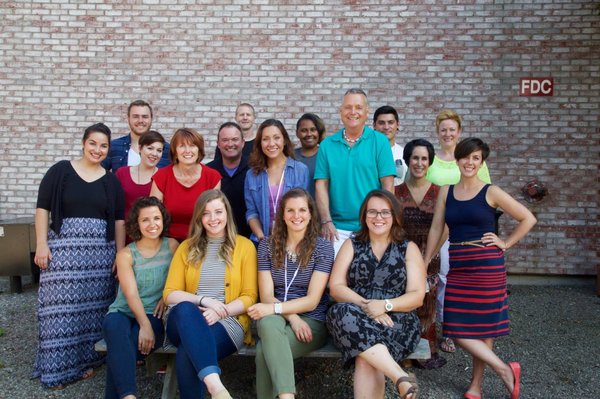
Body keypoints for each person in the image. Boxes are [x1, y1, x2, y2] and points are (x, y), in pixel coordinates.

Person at [424, 138, 536, 399]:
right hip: (459, 265)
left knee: (483, 329)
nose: (470, 162)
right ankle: (504, 370)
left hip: (487, 266)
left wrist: (505, 242)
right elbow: (437, 229)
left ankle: (476, 385)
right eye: (466, 157)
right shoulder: (446, 191)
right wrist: (426, 259)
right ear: (457, 159)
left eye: (476, 158)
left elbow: (528, 218)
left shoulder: (491, 191)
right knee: (453, 325)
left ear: (481, 162)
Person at [33, 123, 126, 389]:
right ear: (84, 143)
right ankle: (56, 372)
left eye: (104, 145)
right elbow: (42, 209)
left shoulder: (111, 181)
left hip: (99, 255)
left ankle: (86, 363)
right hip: (63, 251)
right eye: (93, 143)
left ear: (109, 149)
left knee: (92, 311)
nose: (98, 149)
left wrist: (119, 255)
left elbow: (119, 221)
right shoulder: (60, 171)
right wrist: (42, 244)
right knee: (58, 312)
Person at [326, 190, 426, 399]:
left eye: (384, 212)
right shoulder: (352, 244)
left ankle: (401, 379)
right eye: (372, 212)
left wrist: (385, 305)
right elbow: (335, 287)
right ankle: (399, 376)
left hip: (397, 319)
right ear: (364, 216)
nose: (378, 218)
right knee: (339, 312)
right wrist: (369, 306)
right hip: (355, 315)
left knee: (365, 356)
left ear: (395, 216)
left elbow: (417, 296)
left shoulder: (408, 249)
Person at [162, 190, 258, 399]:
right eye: (206, 213)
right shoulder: (186, 247)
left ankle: (214, 386)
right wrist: (203, 300)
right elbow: (169, 294)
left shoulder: (245, 247)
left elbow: (250, 296)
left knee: (188, 351)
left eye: (218, 212)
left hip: (228, 321)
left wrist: (221, 312)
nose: (213, 219)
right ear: (199, 218)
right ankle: (217, 389)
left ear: (227, 214)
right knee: (187, 309)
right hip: (184, 319)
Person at [247, 188, 334, 399]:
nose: (297, 216)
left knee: (263, 352)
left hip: (312, 320)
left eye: (302, 210)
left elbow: (313, 301)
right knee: (268, 323)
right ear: (282, 215)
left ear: (311, 214)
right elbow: (267, 294)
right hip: (277, 315)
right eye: (291, 210)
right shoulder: (266, 245)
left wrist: (281, 311)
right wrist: (292, 318)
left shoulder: (323, 248)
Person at [426, 109, 492, 354]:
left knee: (451, 279)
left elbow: (487, 196)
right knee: (436, 277)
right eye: (443, 129)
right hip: (434, 225)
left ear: (459, 132)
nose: (447, 133)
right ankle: (429, 326)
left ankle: (451, 330)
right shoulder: (431, 158)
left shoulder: (471, 159)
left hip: (461, 231)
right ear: (437, 132)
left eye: (452, 129)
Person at [102, 197, 179, 399]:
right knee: (115, 328)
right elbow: (131, 294)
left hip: (153, 313)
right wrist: (144, 325)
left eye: (156, 218)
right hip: (123, 311)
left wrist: (166, 296)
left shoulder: (172, 246)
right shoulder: (126, 254)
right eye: (145, 220)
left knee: (123, 348)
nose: (152, 224)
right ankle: (129, 396)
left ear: (163, 220)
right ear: (137, 223)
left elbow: (178, 280)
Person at [315, 89, 396, 254]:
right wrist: (326, 221)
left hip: (371, 226)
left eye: (358, 107)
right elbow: (321, 185)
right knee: (336, 279)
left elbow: (388, 185)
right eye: (348, 107)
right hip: (336, 230)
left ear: (367, 112)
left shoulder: (380, 142)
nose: (353, 112)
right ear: (341, 112)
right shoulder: (327, 145)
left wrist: (382, 221)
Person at [395, 139, 446, 369]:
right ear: (407, 160)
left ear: (430, 161)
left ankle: (426, 351)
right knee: (403, 303)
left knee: (427, 305)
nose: (419, 162)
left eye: (424, 158)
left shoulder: (440, 192)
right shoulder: (395, 192)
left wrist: (427, 259)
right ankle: (404, 350)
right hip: (401, 255)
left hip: (430, 254)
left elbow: (445, 228)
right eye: (415, 158)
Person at [150, 128, 221, 242]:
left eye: (192, 145)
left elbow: (214, 217)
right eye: (182, 146)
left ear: (199, 149)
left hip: (202, 241)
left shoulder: (212, 177)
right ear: (175, 151)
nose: (187, 150)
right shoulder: (161, 177)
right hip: (167, 242)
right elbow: (152, 215)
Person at [244, 119, 309, 244]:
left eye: (276, 137)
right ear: (260, 143)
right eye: (265, 139)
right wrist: (262, 239)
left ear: (284, 140)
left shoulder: (300, 170)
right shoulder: (252, 175)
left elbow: (304, 210)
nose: (271, 143)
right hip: (261, 241)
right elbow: (251, 212)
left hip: (293, 242)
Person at [207, 122, 252, 238]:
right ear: (218, 144)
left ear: (243, 143)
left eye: (235, 139)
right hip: (216, 236)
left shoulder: (255, 169)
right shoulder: (208, 171)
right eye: (225, 140)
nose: (230, 144)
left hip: (249, 237)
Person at [102, 100, 170, 172]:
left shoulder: (166, 149)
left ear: (151, 119)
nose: (140, 120)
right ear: (128, 119)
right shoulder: (114, 146)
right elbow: (98, 173)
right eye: (135, 116)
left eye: (145, 117)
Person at [115, 130, 166, 222]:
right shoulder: (122, 173)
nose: (154, 154)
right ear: (140, 148)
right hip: (123, 231)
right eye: (150, 148)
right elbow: (115, 208)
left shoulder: (164, 176)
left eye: (159, 150)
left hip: (152, 232)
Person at [373, 105, 408, 186]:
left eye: (390, 122)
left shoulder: (404, 153)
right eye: (381, 123)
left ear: (398, 125)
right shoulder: (366, 152)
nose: (386, 127)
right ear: (374, 125)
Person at [293, 113, 326, 198]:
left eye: (313, 130)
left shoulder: (326, 156)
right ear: (297, 133)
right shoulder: (290, 157)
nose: (309, 134)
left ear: (319, 132)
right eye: (304, 130)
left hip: (322, 210)